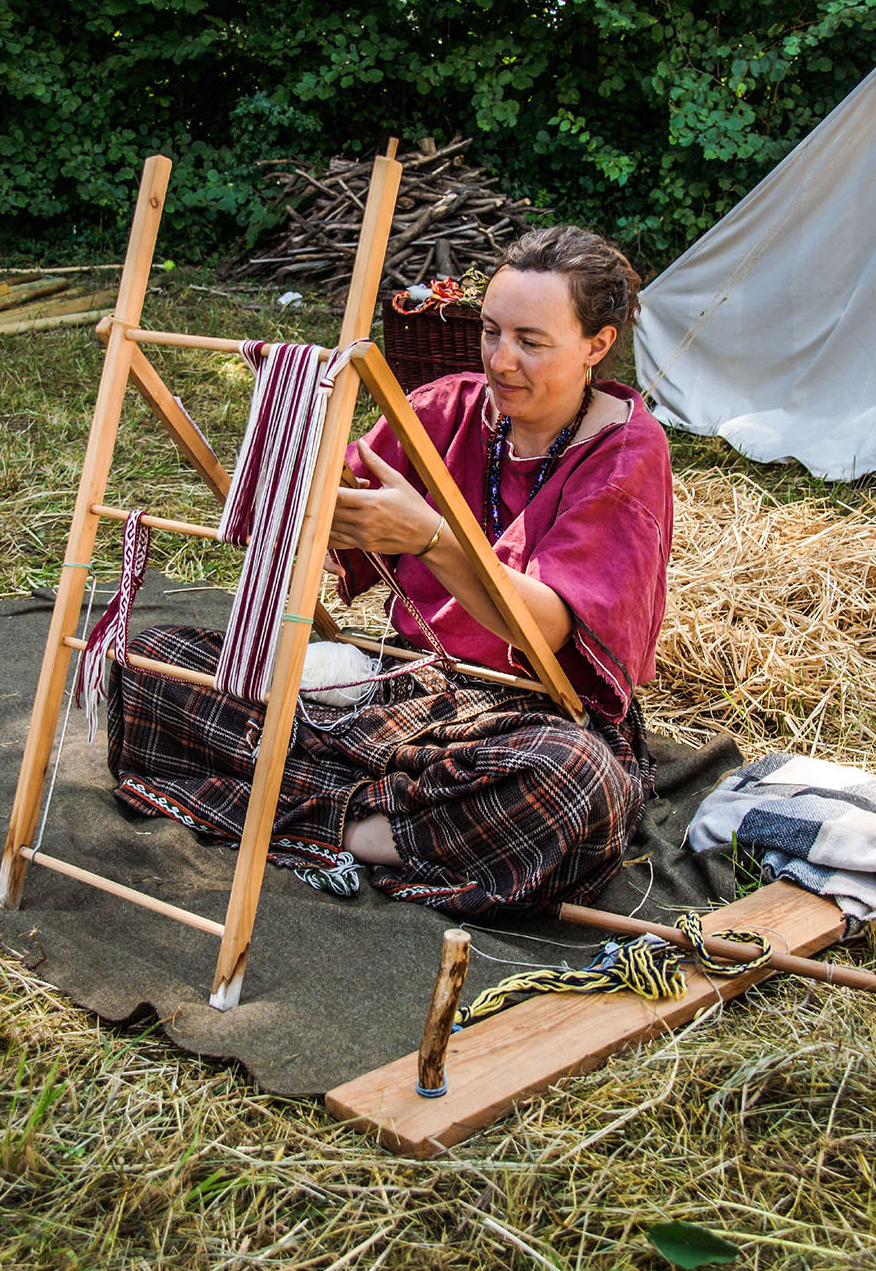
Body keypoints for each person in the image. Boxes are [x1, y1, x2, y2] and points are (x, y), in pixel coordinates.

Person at [107, 225, 673, 918]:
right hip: (403, 688)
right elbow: (327, 508)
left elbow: (549, 625)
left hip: (529, 715)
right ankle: (395, 827)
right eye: (491, 332)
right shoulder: (446, 408)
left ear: (597, 344)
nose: (501, 360)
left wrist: (432, 539)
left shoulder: (625, 453)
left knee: (576, 788)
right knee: (151, 664)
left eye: (531, 341)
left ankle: (320, 825)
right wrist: (291, 493)